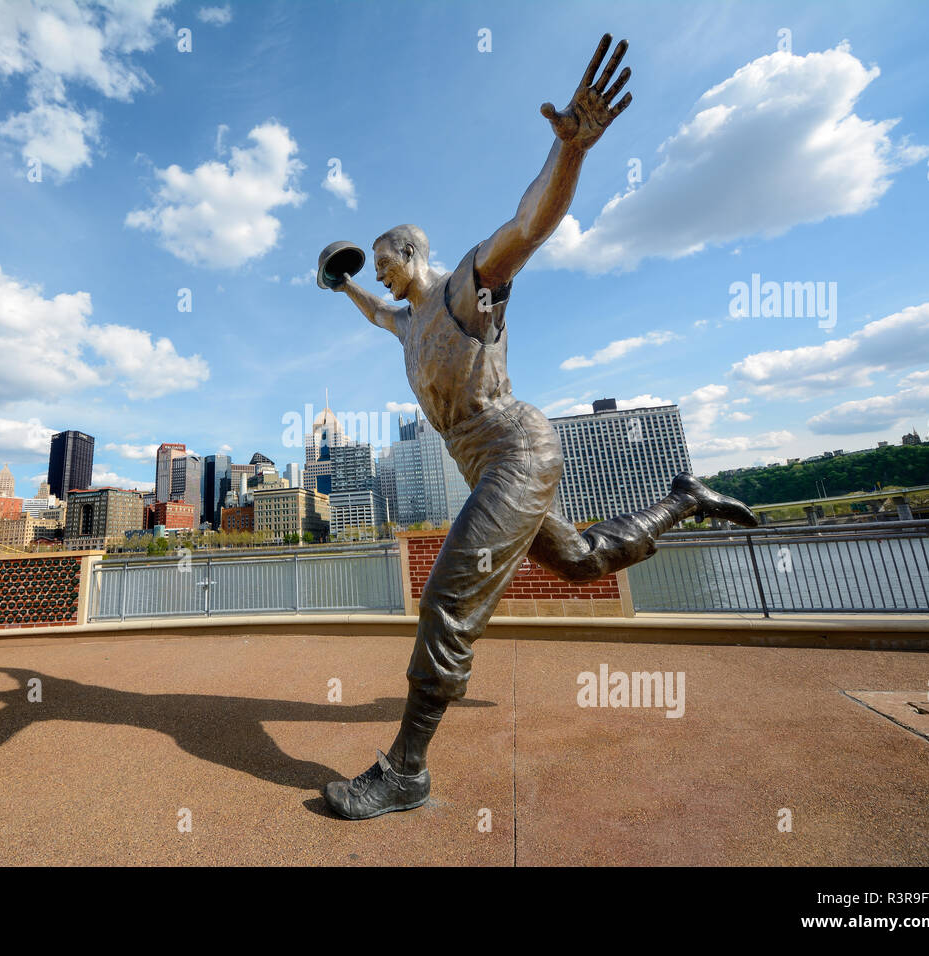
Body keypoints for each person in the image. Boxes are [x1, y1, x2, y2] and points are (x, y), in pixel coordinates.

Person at [320, 34, 757, 820]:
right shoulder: (409, 324)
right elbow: (379, 316)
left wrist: (571, 155)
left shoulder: (467, 283)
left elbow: (529, 223)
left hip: (518, 451)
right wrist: (346, 283)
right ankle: (682, 500)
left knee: (446, 600)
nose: (382, 275)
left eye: (385, 261)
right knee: (585, 561)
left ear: (413, 249)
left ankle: (406, 770)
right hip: (492, 470)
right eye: (376, 270)